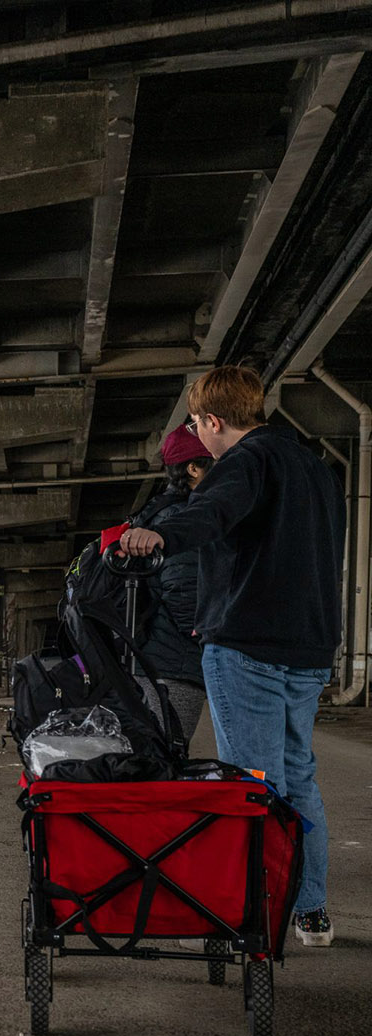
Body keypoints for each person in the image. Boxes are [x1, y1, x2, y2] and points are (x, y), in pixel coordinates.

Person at [121, 367, 345, 946]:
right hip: (310, 647)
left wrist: (160, 537)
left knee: (251, 784)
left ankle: (249, 912)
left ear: (214, 421)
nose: (200, 434)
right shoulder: (316, 469)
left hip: (248, 645)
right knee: (298, 777)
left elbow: (209, 513)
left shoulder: (245, 461)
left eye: (198, 423)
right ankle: (310, 911)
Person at [125, 422, 213, 742]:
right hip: (174, 662)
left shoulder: (157, 512)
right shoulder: (184, 518)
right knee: (166, 755)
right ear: (193, 469)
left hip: (156, 656)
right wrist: (208, 638)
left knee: (157, 753)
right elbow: (185, 589)